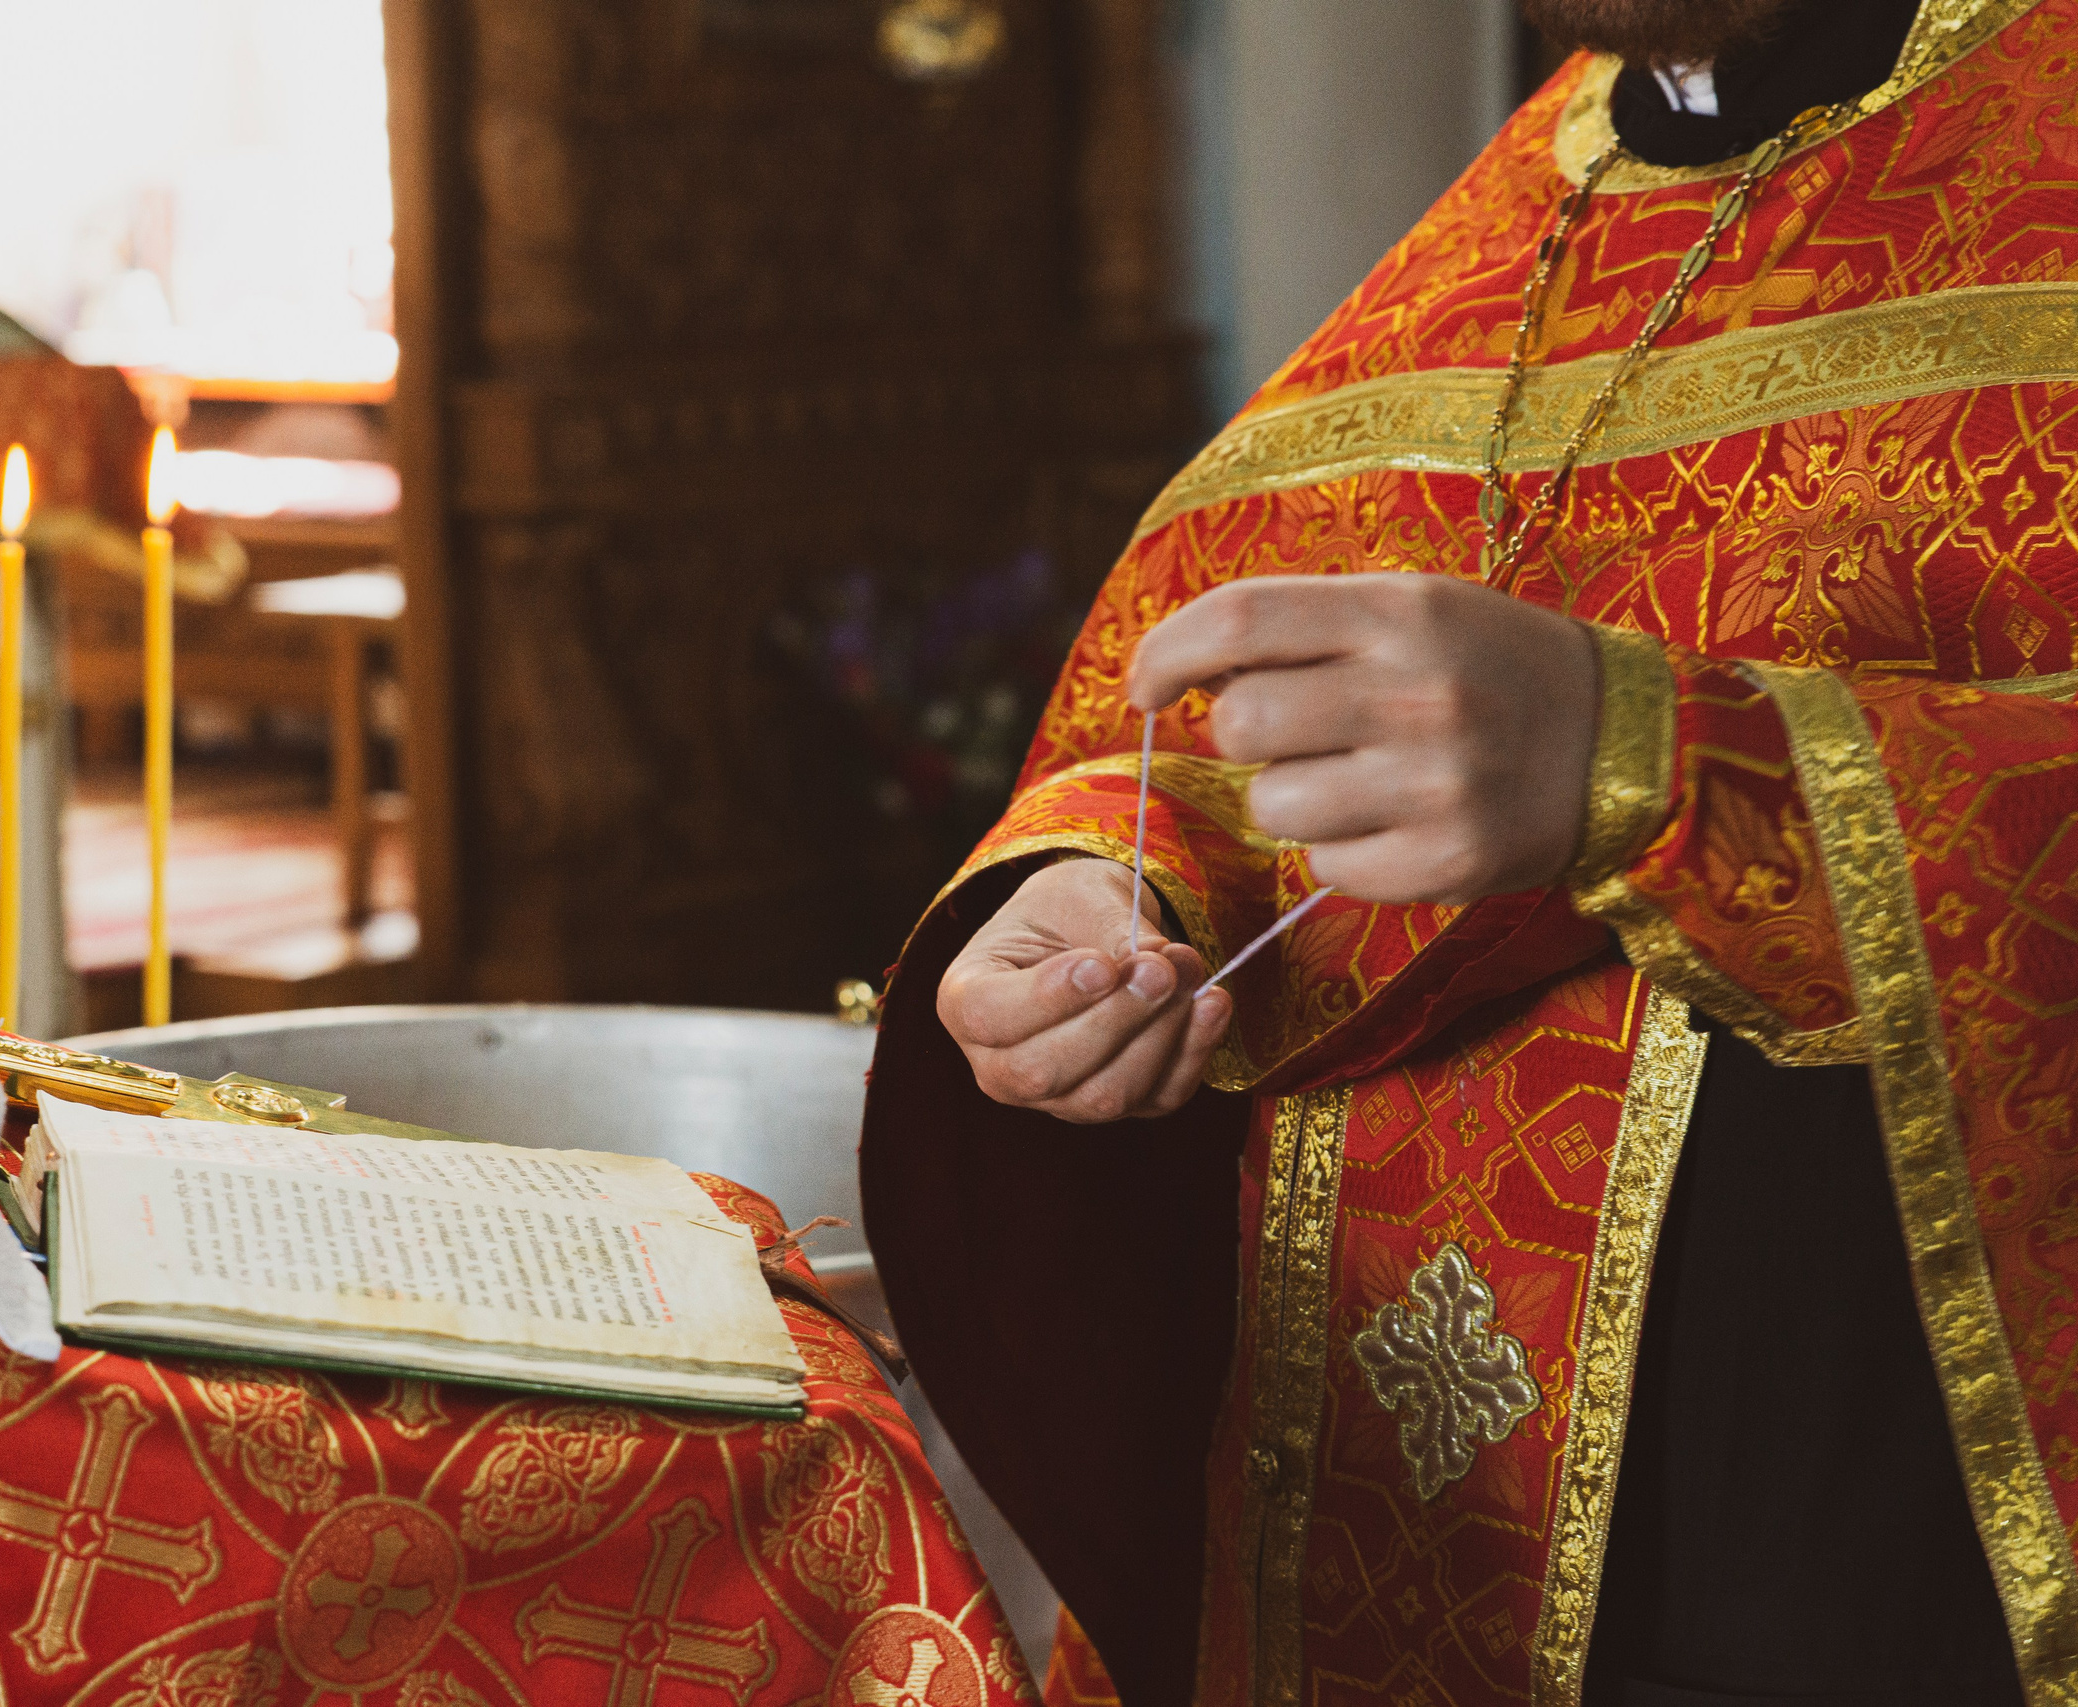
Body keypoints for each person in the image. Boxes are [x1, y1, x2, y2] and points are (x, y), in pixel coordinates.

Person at [859, 0, 2078, 1701]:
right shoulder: (1534, 193)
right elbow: (1190, 736)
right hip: (1414, 1522)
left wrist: (1650, 760)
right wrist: (1093, 894)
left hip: (1894, 1544)